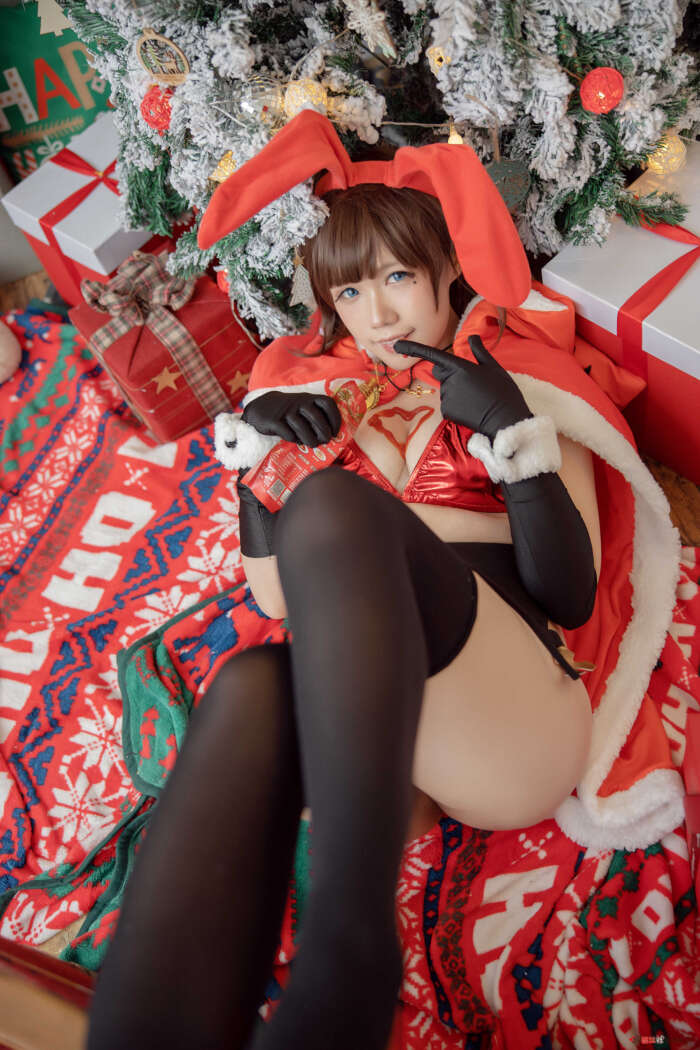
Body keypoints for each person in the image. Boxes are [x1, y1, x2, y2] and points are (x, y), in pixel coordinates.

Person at [87, 111, 683, 1050]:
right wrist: (257, 466)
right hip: (380, 739)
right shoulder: (321, 390)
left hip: (510, 721)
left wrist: (514, 440)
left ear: (446, 270)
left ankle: (353, 946)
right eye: (352, 293)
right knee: (249, 685)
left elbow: (571, 599)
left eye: (399, 278)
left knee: (334, 511)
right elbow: (273, 598)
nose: (380, 316)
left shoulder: (518, 378)